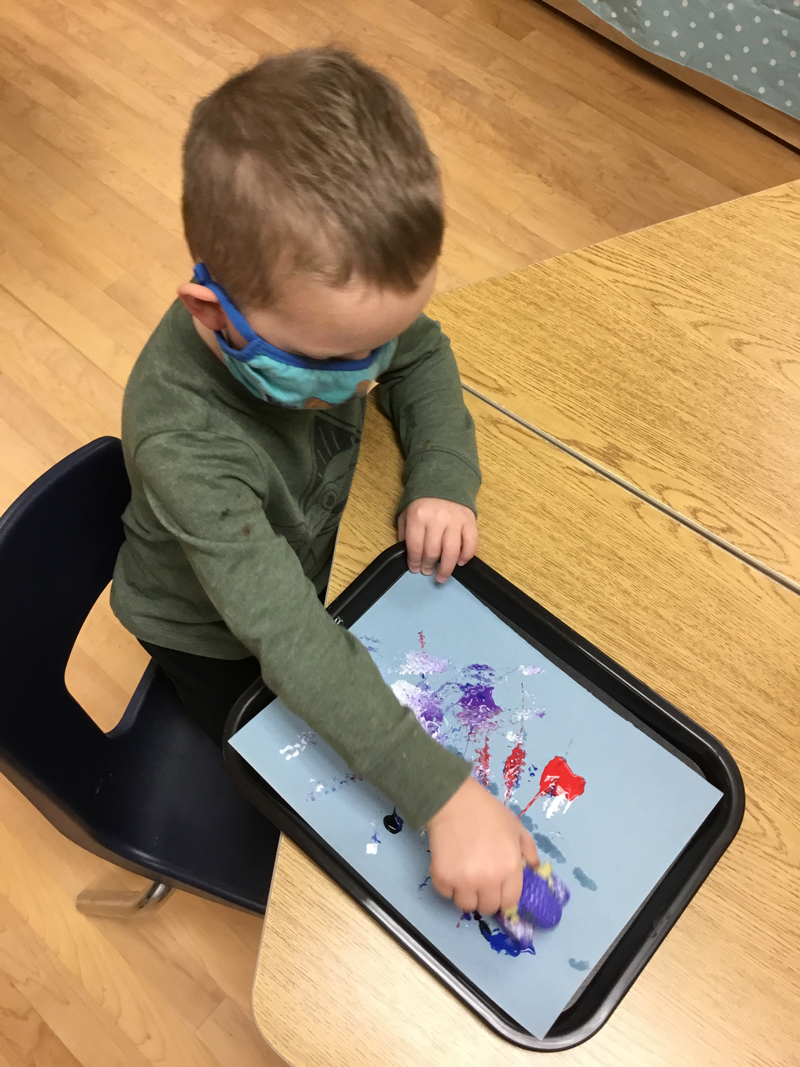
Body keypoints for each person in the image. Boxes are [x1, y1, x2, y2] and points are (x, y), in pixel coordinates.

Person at [111, 47, 538, 918]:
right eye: (334, 360)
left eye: (373, 347)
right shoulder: (182, 438)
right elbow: (291, 642)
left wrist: (442, 477)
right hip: (217, 639)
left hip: (314, 554)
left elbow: (423, 353)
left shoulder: (332, 319)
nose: (364, 373)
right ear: (211, 312)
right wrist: (444, 796)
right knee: (333, 834)